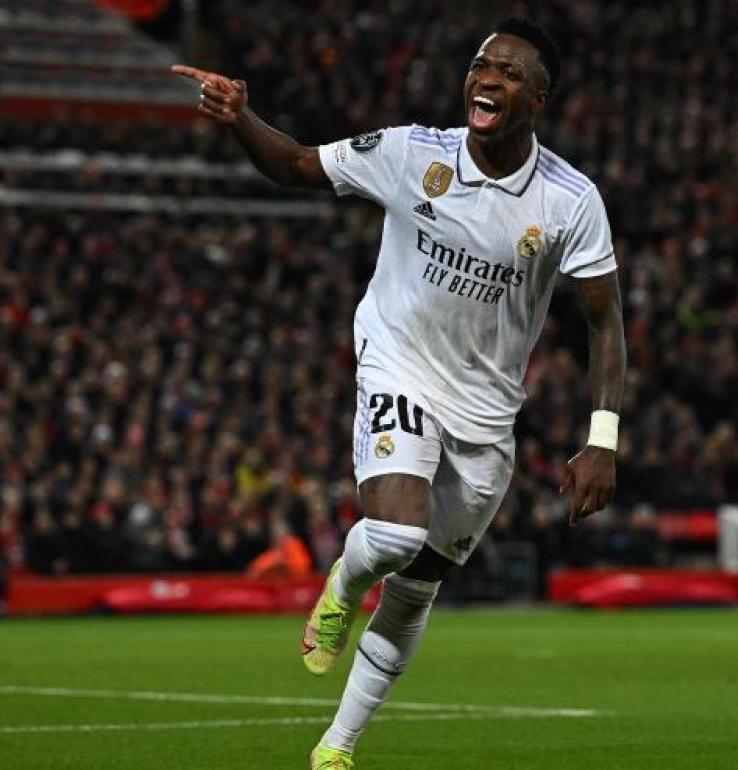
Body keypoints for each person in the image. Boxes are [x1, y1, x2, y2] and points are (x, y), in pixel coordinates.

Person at [173, 17, 626, 769]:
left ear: (539, 98)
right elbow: (292, 165)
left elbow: (605, 323)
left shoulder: (570, 201)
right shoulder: (413, 152)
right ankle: (345, 583)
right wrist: (239, 115)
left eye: (510, 73)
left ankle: (337, 747)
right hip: (399, 365)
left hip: (486, 416)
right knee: (393, 538)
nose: (488, 77)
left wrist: (602, 439)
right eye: (481, 64)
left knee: (417, 590)